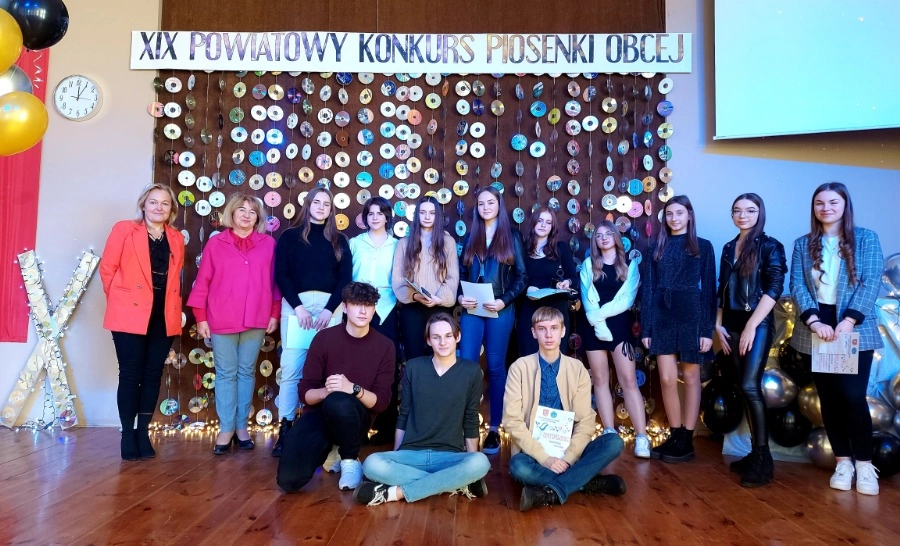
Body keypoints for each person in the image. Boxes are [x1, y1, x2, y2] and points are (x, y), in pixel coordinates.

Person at [789, 182, 883, 495]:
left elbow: (870, 281)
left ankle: (865, 465)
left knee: (853, 396)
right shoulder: (803, 244)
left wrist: (849, 320)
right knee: (828, 398)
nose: (826, 208)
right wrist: (814, 320)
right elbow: (797, 284)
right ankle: (843, 462)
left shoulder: (866, 238)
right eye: (820, 203)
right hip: (817, 325)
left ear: (845, 205)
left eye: (833, 202)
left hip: (854, 325)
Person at [354, 313, 490, 505]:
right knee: (371, 464)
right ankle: (455, 484)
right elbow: (404, 413)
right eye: (436, 337)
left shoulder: (471, 371)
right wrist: (396, 454)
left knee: (480, 462)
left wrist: (471, 458)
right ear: (428, 340)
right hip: (412, 453)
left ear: (458, 337)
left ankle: (394, 493)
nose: (443, 342)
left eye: (448, 336)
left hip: (449, 456)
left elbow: (470, 419)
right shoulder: (414, 367)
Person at [276, 282, 396, 493]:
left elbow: (381, 403)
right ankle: (332, 449)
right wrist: (327, 391)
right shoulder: (324, 339)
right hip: (321, 415)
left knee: (339, 401)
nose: (362, 311)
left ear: (374, 309)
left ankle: (350, 460)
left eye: (368, 305)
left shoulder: (385, 346)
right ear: (345, 307)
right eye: (357, 304)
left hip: (357, 419)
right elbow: (305, 393)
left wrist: (352, 388)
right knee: (289, 480)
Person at [503, 306, 626, 511]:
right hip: (533, 452)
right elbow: (511, 421)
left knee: (614, 441)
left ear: (563, 331)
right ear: (533, 333)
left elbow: (586, 421)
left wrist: (568, 458)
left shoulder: (577, 369)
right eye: (542, 329)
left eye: (554, 328)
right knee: (519, 467)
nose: (548, 335)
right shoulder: (519, 367)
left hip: (570, 448)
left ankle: (552, 491)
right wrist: (545, 458)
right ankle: (586, 482)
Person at [186, 193, 280, 455]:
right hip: (221, 317)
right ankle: (226, 429)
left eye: (252, 211)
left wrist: (274, 313)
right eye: (242, 210)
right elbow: (202, 281)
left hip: (257, 317)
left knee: (247, 372)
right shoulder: (216, 244)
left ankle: (242, 427)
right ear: (232, 213)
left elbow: (275, 282)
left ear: (258, 217)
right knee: (226, 373)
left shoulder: (269, 245)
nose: (247, 215)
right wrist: (200, 317)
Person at [100, 183, 184, 460]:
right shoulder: (124, 229)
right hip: (129, 313)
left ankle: (142, 432)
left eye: (165, 203)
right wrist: (119, 299)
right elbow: (107, 268)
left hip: (163, 314)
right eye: (153, 202)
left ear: (171, 209)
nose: (159, 207)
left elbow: (173, 279)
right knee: (130, 373)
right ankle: (127, 433)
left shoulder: (176, 238)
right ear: (143, 205)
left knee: (152, 374)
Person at [272, 187, 351, 457]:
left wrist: (330, 310)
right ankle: (286, 428)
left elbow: (345, 278)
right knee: (291, 368)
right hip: (297, 307)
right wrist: (298, 307)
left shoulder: (339, 240)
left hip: (331, 308)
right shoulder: (289, 236)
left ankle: (323, 430)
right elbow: (282, 274)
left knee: (330, 369)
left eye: (326, 204)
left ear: (331, 209)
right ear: (308, 205)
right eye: (316, 202)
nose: (321, 207)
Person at [715, 193, 786, 487]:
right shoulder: (728, 246)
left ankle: (763, 458)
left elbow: (774, 289)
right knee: (739, 386)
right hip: (730, 322)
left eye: (750, 210)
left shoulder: (771, 246)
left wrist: (751, 326)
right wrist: (718, 323)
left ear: (760, 213)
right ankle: (755, 453)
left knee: (749, 385)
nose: (743, 215)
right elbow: (722, 287)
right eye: (737, 210)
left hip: (756, 321)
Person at [641, 195, 716, 463]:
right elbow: (648, 289)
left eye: (679, 213)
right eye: (669, 214)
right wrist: (647, 329)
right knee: (666, 378)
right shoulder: (655, 248)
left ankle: (687, 437)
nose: (674, 218)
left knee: (692, 376)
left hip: (691, 314)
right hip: (662, 314)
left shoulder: (703, 247)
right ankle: (674, 433)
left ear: (689, 216)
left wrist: (706, 330)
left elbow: (709, 289)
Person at [458, 186, 527, 454]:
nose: (485, 207)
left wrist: (504, 300)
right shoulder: (471, 236)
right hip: (472, 307)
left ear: (499, 205)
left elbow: (522, 276)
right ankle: (465, 428)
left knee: (496, 367)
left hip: (499, 307)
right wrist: (460, 296)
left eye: (490, 202)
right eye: (481, 203)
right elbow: (461, 272)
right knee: (467, 366)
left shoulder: (512, 235)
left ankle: (495, 429)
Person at [579, 221, 648, 458]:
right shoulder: (588, 265)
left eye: (608, 233)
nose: (604, 238)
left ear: (617, 237)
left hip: (619, 329)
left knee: (628, 380)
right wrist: (597, 323)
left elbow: (627, 300)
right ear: (595, 241)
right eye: (599, 235)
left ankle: (642, 437)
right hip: (592, 329)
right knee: (599, 380)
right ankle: (609, 432)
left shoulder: (630, 265)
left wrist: (598, 317)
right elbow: (587, 298)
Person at [349, 196, 399, 446]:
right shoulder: (355, 243)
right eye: (371, 213)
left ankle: (387, 426)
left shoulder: (398, 245)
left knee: (388, 368)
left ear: (388, 217)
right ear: (365, 217)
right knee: (357, 365)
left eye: (380, 213)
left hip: (388, 310)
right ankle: (355, 426)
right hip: (358, 308)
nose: (376, 217)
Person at [392, 195, 459, 360]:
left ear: (438, 216)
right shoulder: (403, 243)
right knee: (414, 357)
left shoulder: (448, 242)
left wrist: (439, 298)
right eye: (422, 212)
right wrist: (415, 295)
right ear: (417, 215)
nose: (427, 217)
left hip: (439, 308)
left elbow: (453, 277)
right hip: (412, 309)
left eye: (432, 213)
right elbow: (397, 279)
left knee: (439, 357)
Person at [516, 207, 577, 357]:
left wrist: (567, 283)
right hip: (529, 311)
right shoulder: (522, 249)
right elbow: (514, 278)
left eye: (548, 222)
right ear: (533, 223)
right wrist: (527, 289)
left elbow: (573, 277)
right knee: (529, 359)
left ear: (552, 227)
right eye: (540, 220)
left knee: (555, 359)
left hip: (556, 311)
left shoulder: (560, 248)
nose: (544, 225)